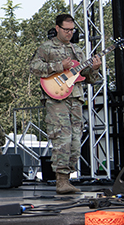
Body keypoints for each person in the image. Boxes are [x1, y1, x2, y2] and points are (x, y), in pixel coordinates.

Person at [28, 13, 100, 194]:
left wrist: (95, 69)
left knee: (76, 139)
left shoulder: (78, 51)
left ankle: (68, 178)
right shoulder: (46, 47)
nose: (69, 33)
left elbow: (88, 78)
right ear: (57, 28)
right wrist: (58, 66)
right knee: (62, 137)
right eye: (66, 30)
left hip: (75, 97)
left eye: (72, 30)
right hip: (56, 98)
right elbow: (34, 67)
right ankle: (61, 180)